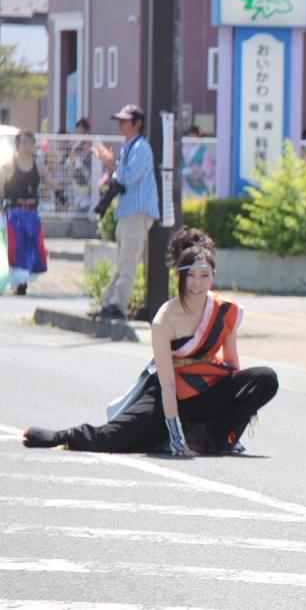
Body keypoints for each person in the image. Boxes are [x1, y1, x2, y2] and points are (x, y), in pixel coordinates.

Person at [22, 227, 278, 454]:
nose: (198, 284)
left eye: (204, 275)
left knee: (265, 378)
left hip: (208, 387)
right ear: (180, 275)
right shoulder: (164, 319)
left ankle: (217, 438)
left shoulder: (225, 310)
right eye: (191, 275)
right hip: (172, 393)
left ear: (213, 275)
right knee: (115, 438)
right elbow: (167, 384)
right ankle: (62, 436)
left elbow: (232, 368)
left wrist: (234, 417)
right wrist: (177, 440)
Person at [90, 105, 160, 319]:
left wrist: (111, 162)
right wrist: (112, 164)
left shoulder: (140, 147)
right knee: (123, 261)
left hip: (137, 212)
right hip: (128, 211)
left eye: (125, 121)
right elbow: (121, 178)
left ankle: (118, 305)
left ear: (137, 123)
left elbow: (128, 178)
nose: (120, 124)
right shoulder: (129, 147)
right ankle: (109, 302)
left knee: (127, 262)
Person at [1, 131, 60, 295]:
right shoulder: (8, 166)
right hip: (14, 213)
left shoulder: (38, 164)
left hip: (33, 213)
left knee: (33, 245)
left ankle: (25, 280)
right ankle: (19, 283)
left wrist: (60, 193)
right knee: (17, 245)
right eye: (23, 143)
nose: (27, 147)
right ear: (17, 145)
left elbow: (48, 180)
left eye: (30, 143)